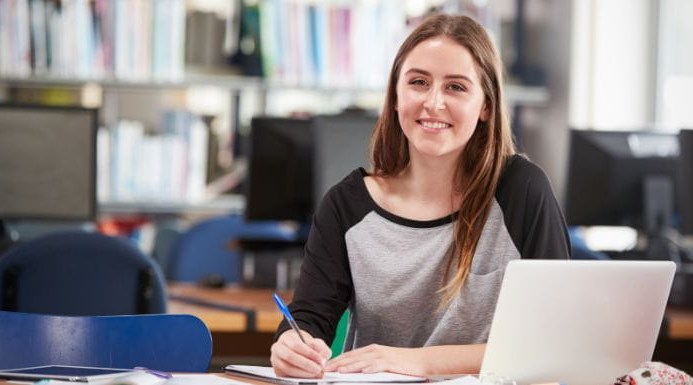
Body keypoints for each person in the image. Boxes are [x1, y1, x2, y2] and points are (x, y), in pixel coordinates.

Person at [270, 13, 571, 378]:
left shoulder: (521, 190)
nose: (433, 102)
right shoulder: (346, 205)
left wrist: (414, 361)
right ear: (396, 97)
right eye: (418, 82)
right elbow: (308, 319)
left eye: (456, 87)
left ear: (486, 106)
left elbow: (555, 341)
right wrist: (292, 345)